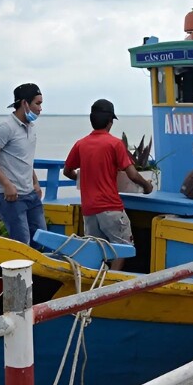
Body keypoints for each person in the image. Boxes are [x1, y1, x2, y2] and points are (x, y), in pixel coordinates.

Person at [63, 99, 153, 270]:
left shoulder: (81, 144)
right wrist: (147, 186)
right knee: (124, 246)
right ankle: (111, 283)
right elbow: (132, 174)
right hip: (110, 206)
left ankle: (95, 282)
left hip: (89, 208)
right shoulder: (115, 144)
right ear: (110, 122)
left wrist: (83, 180)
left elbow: (67, 171)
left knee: (95, 249)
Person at [0, 83, 47, 245]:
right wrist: (6, 184)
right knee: (21, 245)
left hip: (30, 194)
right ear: (24, 103)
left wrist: (35, 183)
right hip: (11, 198)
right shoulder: (6, 128)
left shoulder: (31, 127)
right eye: (37, 103)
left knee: (41, 239)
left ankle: (35, 271)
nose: (40, 108)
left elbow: (24, 159)